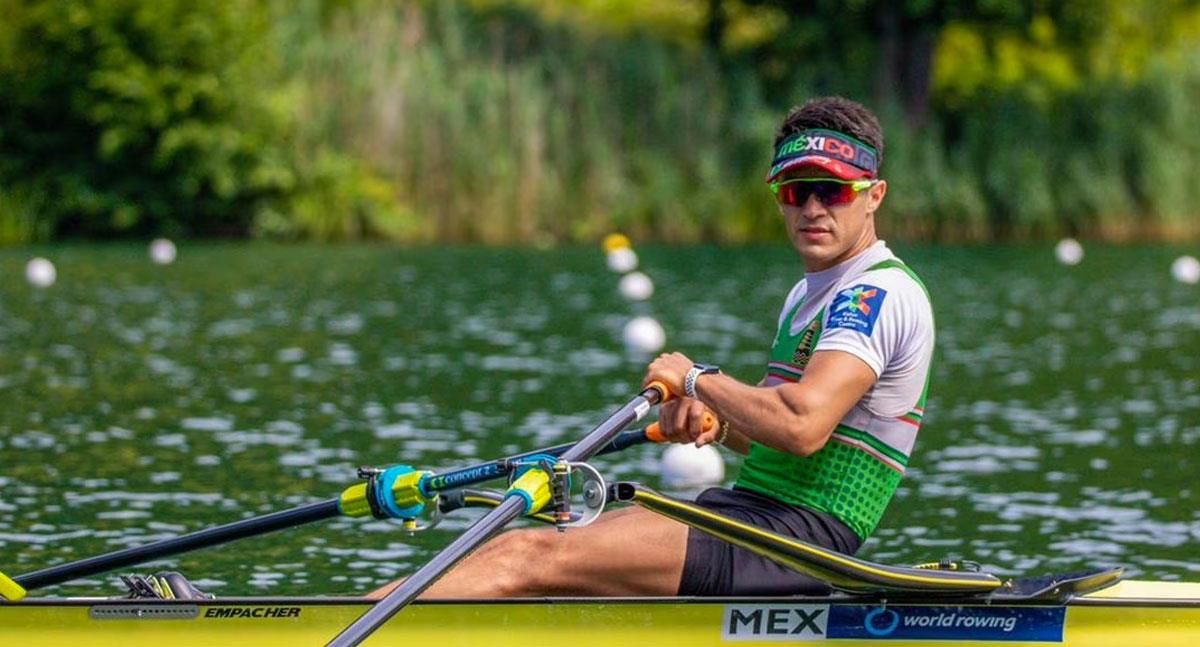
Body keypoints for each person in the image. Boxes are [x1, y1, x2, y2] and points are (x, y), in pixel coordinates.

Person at [370, 95, 933, 599]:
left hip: (796, 539)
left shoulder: (875, 293)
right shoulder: (813, 292)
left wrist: (696, 379)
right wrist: (714, 419)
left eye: (832, 190)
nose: (812, 209)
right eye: (795, 191)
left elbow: (802, 427)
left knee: (524, 554)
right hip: (754, 517)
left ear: (873, 194)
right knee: (543, 553)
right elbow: (770, 436)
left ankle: (322, 630)